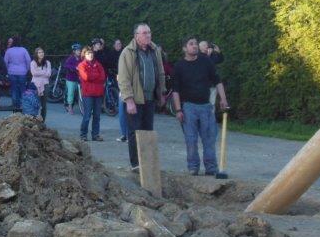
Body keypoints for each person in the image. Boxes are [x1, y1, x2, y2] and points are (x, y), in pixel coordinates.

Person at [172, 37, 229, 176]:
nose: (195, 46)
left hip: (205, 106)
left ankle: (211, 168)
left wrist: (223, 99)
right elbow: (175, 90)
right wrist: (178, 110)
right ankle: (193, 167)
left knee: (209, 139)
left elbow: (217, 80)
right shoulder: (179, 66)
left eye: (196, 43)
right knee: (191, 140)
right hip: (188, 107)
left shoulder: (205, 61)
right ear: (185, 48)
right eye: (191, 44)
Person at [117, 24, 166, 171]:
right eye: (144, 33)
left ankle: (148, 162)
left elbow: (161, 72)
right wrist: (129, 100)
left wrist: (161, 93)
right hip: (135, 99)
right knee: (134, 131)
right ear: (136, 36)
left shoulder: (154, 50)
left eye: (149, 32)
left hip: (150, 98)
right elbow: (124, 79)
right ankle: (136, 164)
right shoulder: (128, 52)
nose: (148, 35)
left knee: (148, 130)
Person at [78, 46, 106, 141]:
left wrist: (92, 77)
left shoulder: (98, 64)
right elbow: (85, 77)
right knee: (87, 115)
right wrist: (96, 76)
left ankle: (95, 135)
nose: (90, 55)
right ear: (84, 54)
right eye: (88, 53)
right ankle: (83, 134)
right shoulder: (82, 65)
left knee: (97, 116)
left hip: (98, 93)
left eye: (91, 53)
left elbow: (103, 77)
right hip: (88, 94)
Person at [3, 36, 31, 112]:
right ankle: (23, 105)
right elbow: (28, 60)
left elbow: (5, 61)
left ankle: (15, 106)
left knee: (14, 89)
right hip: (22, 72)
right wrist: (27, 69)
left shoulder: (9, 50)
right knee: (22, 89)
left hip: (11, 72)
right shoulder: (24, 50)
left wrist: (8, 69)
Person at [199, 40, 225, 108]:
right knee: (204, 103)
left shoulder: (212, 55)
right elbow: (203, 66)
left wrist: (219, 52)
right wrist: (208, 55)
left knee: (212, 103)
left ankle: (211, 118)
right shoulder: (198, 56)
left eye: (207, 45)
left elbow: (220, 60)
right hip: (203, 84)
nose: (207, 46)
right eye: (204, 45)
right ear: (200, 47)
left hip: (212, 83)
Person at [30, 47, 52, 120]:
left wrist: (40, 73)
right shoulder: (33, 63)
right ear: (36, 54)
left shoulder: (47, 62)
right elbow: (34, 73)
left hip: (45, 84)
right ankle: (34, 119)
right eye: (39, 52)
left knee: (44, 105)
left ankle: (42, 121)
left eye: (42, 52)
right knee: (35, 103)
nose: (41, 54)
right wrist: (43, 73)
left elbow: (48, 74)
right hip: (35, 85)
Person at [63, 44, 82, 114]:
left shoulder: (81, 59)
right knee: (71, 93)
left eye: (80, 50)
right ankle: (70, 107)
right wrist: (74, 68)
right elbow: (66, 65)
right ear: (74, 51)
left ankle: (79, 105)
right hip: (71, 79)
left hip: (78, 78)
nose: (79, 52)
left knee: (79, 92)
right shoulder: (71, 58)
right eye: (77, 50)